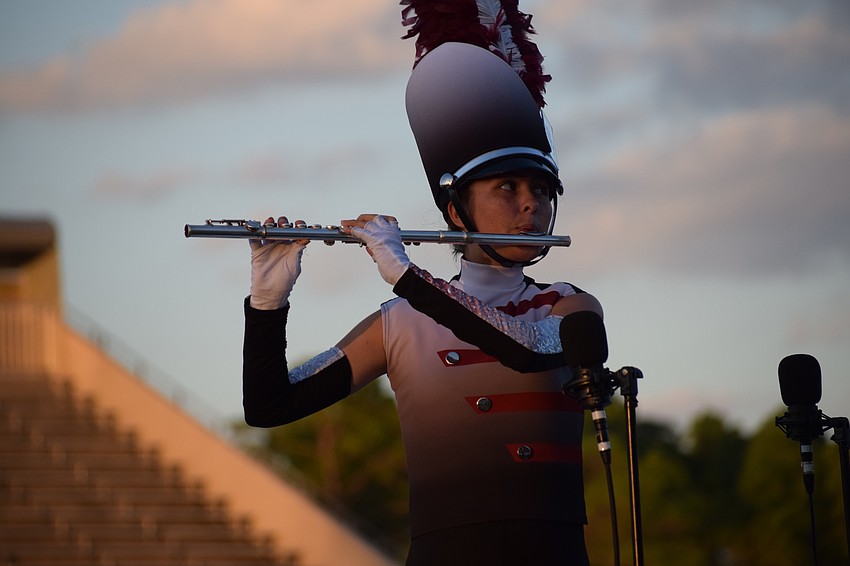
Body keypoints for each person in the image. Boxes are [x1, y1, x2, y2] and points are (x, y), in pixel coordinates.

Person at [241, 37, 602, 566]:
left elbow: (528, 350)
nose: (532, 203)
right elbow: (270, 406)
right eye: (507, 187)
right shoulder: (400, 322)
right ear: (456, 212)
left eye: (543, 190)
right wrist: (267, 303)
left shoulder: (569, 305)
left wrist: (406, 275)